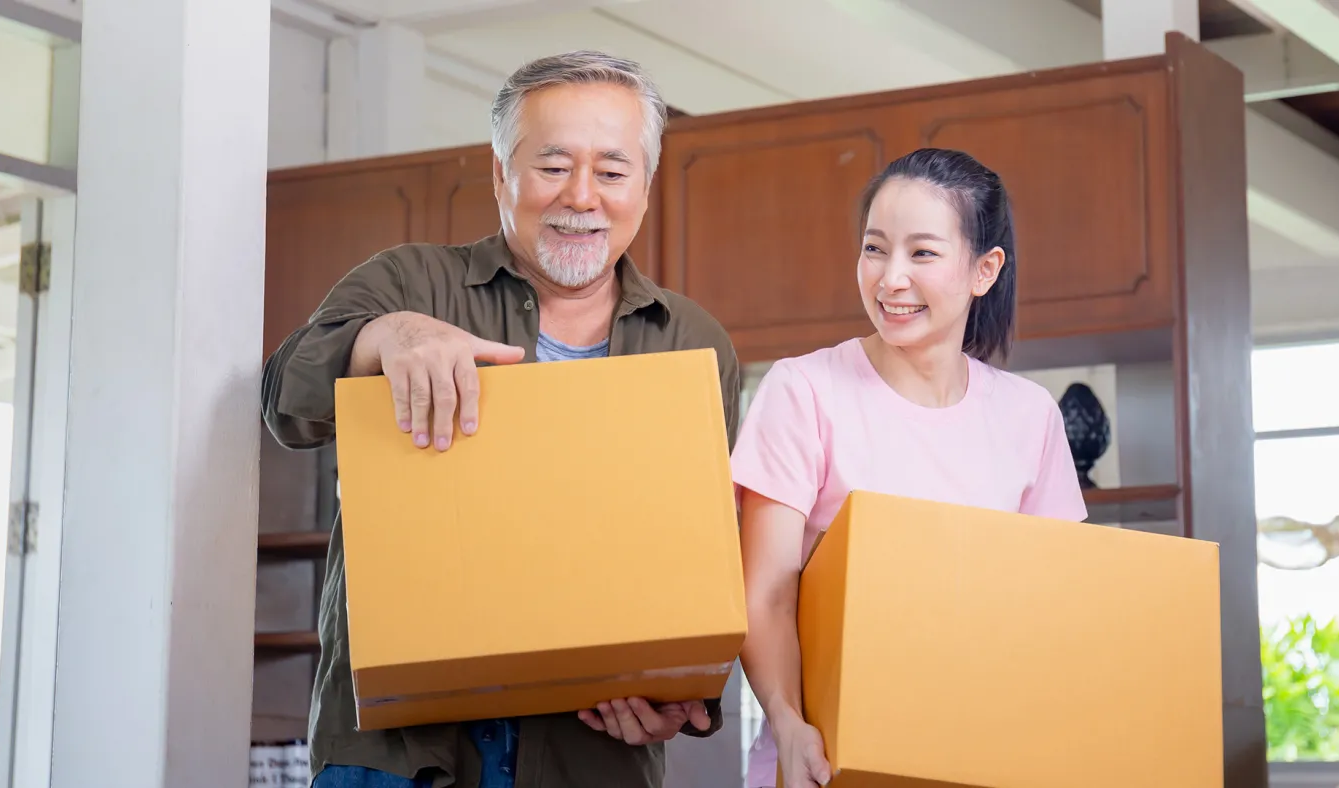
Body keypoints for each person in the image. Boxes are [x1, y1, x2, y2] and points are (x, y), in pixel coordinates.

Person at [261, 51, 741, 788]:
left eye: (611, 172)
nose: (581, 197)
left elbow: (705, 553)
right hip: (398, 757)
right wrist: (385, 337)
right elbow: (284, 403)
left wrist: (682, 700)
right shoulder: (409, 282)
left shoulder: (694, 342)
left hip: (593, 756)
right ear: (500, 173)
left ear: (643, 185)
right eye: (552, 166)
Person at [730, 148, 1088, 788]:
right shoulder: (804, 390)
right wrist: (786, 722)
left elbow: (1055, 609)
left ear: (984, 270)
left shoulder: (1030, 416)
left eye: (922, 253)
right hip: (829, 756)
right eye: (874, 249)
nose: (890, 278)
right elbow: (768, 594)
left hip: (985, 755)